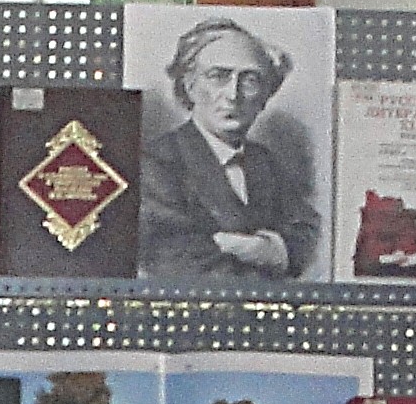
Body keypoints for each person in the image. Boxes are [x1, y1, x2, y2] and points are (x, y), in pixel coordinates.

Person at [138, 18, 323, 285]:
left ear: (265, 96)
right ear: (189, 86)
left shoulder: (264, 161)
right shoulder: (156, 162)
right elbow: (176, 261)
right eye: (218, 76)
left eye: (250, 80)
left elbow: (309, 236)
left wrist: (268, 250)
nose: (233, 94)